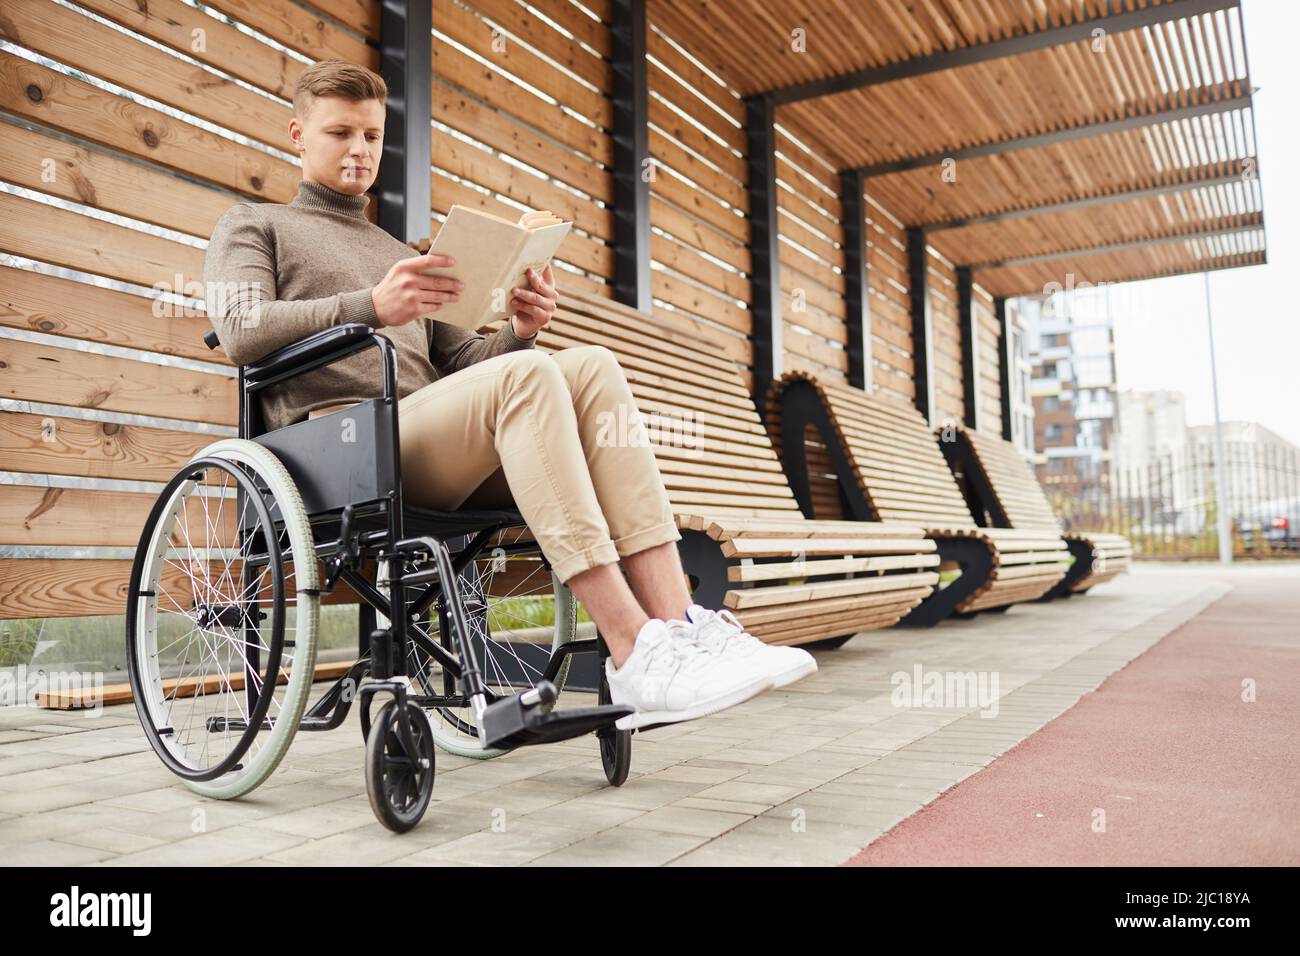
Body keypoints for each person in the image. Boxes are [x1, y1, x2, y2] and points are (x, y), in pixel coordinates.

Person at [202, 58, 815, 731]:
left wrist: (519, 331)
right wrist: (371, 305)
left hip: (423, 442)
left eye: (372, 136)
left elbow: (462, 362)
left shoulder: (397, 249)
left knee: (591, 366)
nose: (358, 150)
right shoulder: (253, 225)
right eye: (339, 132)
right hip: (339, 446)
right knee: (529, 379)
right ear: (298, 134)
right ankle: (631, 644)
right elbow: (240, 329)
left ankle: (677, 630)